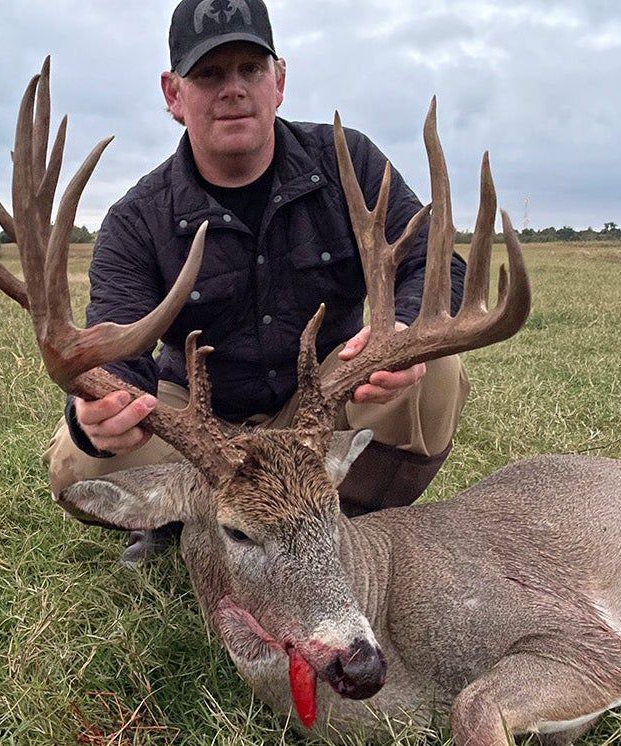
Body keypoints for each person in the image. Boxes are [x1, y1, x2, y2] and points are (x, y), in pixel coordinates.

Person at [45, 0, 469, 563]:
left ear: (280, 81)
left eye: (250, 69)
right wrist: (102, 411)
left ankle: (350, 518)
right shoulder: (136, 219)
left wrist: (399, 329)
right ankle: (181, 520)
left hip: (322, 403)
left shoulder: (349, 162)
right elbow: (118, 341)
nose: (233, 89)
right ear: (174, 94)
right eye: (209, 74)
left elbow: (438, 266)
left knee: (432, 367)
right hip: (200, 427)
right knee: (83, 456)